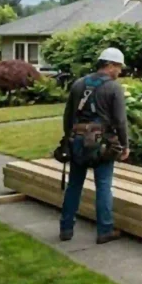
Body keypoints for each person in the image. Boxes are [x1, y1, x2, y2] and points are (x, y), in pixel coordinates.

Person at [59, 48, 129, 244]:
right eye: (119, 67)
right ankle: (105, 230)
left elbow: (68, 116)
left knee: (74, 185)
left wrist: (69, 139)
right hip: (102, 145)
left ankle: (66, 229)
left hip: (77, 141)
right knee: (104, 186)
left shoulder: (78, 84)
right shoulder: (114, 88)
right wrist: (125, 145)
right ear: (109, 65)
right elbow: (120, 121)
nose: (120, 72)